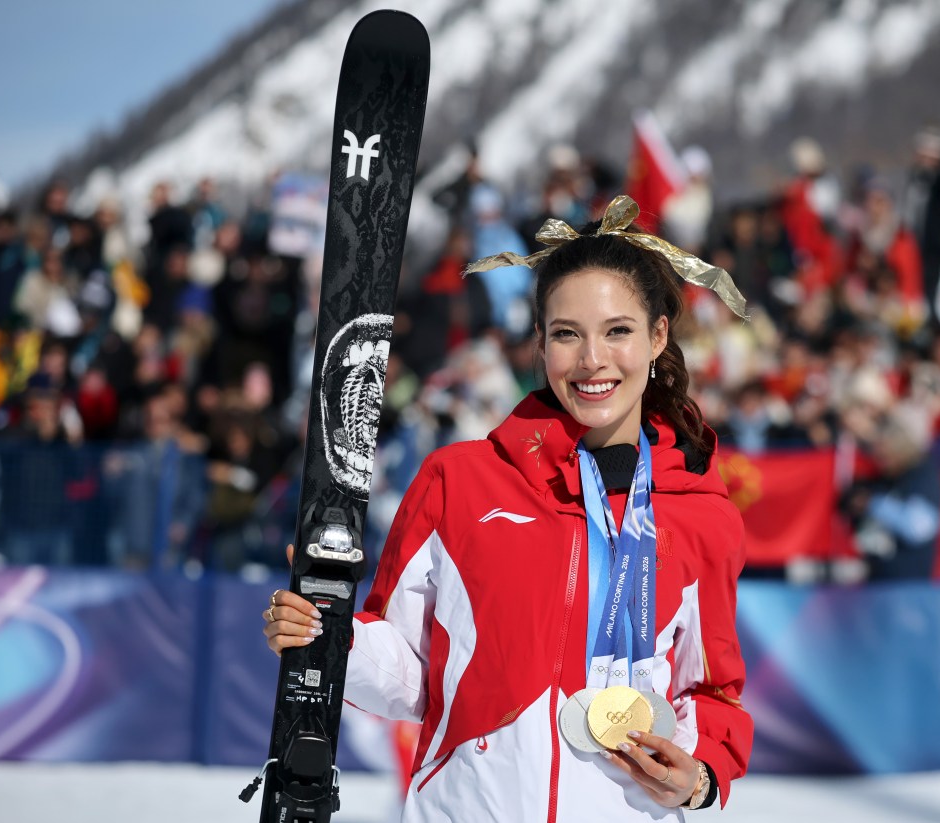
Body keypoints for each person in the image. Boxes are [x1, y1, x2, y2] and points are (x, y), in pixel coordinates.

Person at [262, 196, 753, 820]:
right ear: (540, 345)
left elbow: (710, 693)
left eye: (618, 331)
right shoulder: (460, 482)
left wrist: (701, 775)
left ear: (658, 336)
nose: (592, 360)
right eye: (567, 334)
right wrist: (330, 637)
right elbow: (414, 673)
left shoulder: (701, 513)